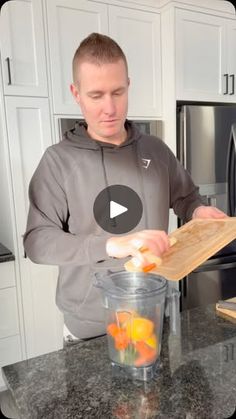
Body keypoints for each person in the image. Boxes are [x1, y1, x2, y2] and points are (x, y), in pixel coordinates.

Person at [23, 32, 227, 341]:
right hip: (90, 329)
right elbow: (37, 242)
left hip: (152, 316)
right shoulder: (58, 161)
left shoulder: (156, 151)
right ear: (75, 93)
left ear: (128, 86)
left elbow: (186, 196)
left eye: (118, 92)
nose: (110, 108)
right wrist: (109, 245)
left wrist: (198, 210)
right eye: (96, 95)